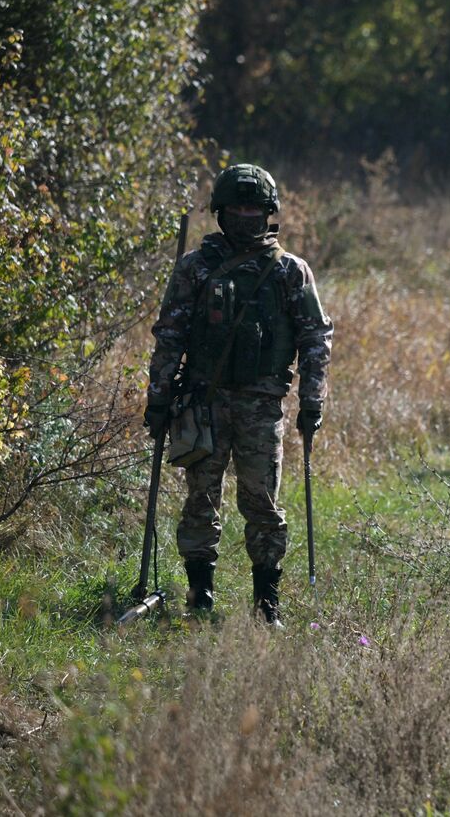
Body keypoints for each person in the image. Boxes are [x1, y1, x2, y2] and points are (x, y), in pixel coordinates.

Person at [143, 164, 333, 627]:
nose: (246, 216)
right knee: (200, 500)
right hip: (201, 403)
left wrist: (313, 401)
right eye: (236, 208)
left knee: (262, 502)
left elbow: (315, 340)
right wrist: (159, 398)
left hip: (262, 405)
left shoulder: (290, 271)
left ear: (269, 213)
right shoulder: (195, 267)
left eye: (254, 208)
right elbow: (169, 335)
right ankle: (200, 595)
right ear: (220, 212)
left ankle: (267, 605)